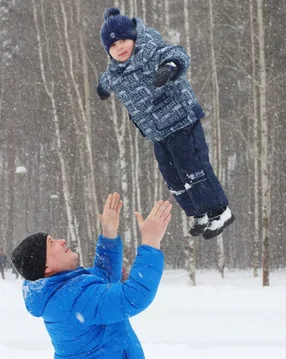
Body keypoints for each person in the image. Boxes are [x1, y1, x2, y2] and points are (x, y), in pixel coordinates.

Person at [10, 192, 172, 359]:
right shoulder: (72, 297)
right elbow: (133, 296)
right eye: (52, 243)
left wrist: (109, 233)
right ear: (46, 267)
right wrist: (151, 242)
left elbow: (102, 282)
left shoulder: (63, 291)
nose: (62, 241)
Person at [97, 7, 234, 239]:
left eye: (123, 41)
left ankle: (220, 211)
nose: (119, 47)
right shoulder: (115, 71)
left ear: (133, 38)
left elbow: (178, 54)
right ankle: (198, 212)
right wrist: (101, 88)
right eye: (113, 46)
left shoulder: (150, 50)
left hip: (181, 120)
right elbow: (106, 80)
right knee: (173, 176)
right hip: (157, 132)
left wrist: (170, 67)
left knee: (192, 167)